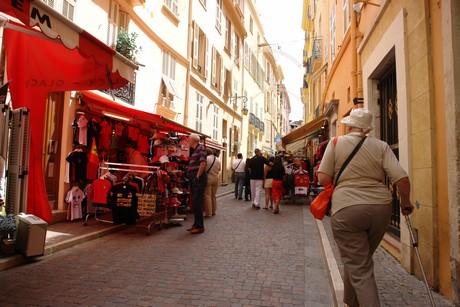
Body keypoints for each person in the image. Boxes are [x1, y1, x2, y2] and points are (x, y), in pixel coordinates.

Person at [317, 108, 414, 307]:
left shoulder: (336, 143)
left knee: (359, 265)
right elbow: (402, 179)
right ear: (368, 128)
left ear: (349, 124)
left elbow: (323, 178)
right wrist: (405, 203)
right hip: (381, 208)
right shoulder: (381, 146)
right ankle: (350, 302)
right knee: (359, 258)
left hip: (347, 208)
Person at [187, 133, 207, 234]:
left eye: (189, 139)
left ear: (194, 140)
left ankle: (199, 226)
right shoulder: (196, 150)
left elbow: (203, 162)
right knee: (195, 202)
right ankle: (196, 224)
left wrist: (198, 176)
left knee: (197, 201)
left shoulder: (201, 149)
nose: (187, 141)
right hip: (194, 176)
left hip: (197, 177)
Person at [204, 147, 221, 217]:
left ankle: (209, 212)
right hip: (216, 178)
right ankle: (214, 211)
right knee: (213, 195)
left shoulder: (206, 159)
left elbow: (203, 168)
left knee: (207, 195)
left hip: (208, 178)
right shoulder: (217, 159)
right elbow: (219, 169)